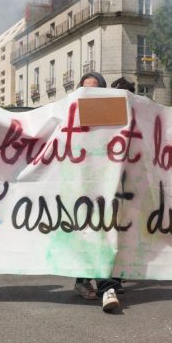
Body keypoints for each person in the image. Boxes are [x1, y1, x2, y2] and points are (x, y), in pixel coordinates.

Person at [71, 71, 121, 312]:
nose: (89, 92)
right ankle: (87, 281)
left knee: (100, 232)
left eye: (95, 88)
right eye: (85, 88)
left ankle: (104, 285)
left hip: (105, 184)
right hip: (78, 184)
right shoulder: (68, 113)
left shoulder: (113, 113)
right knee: (85, 233)